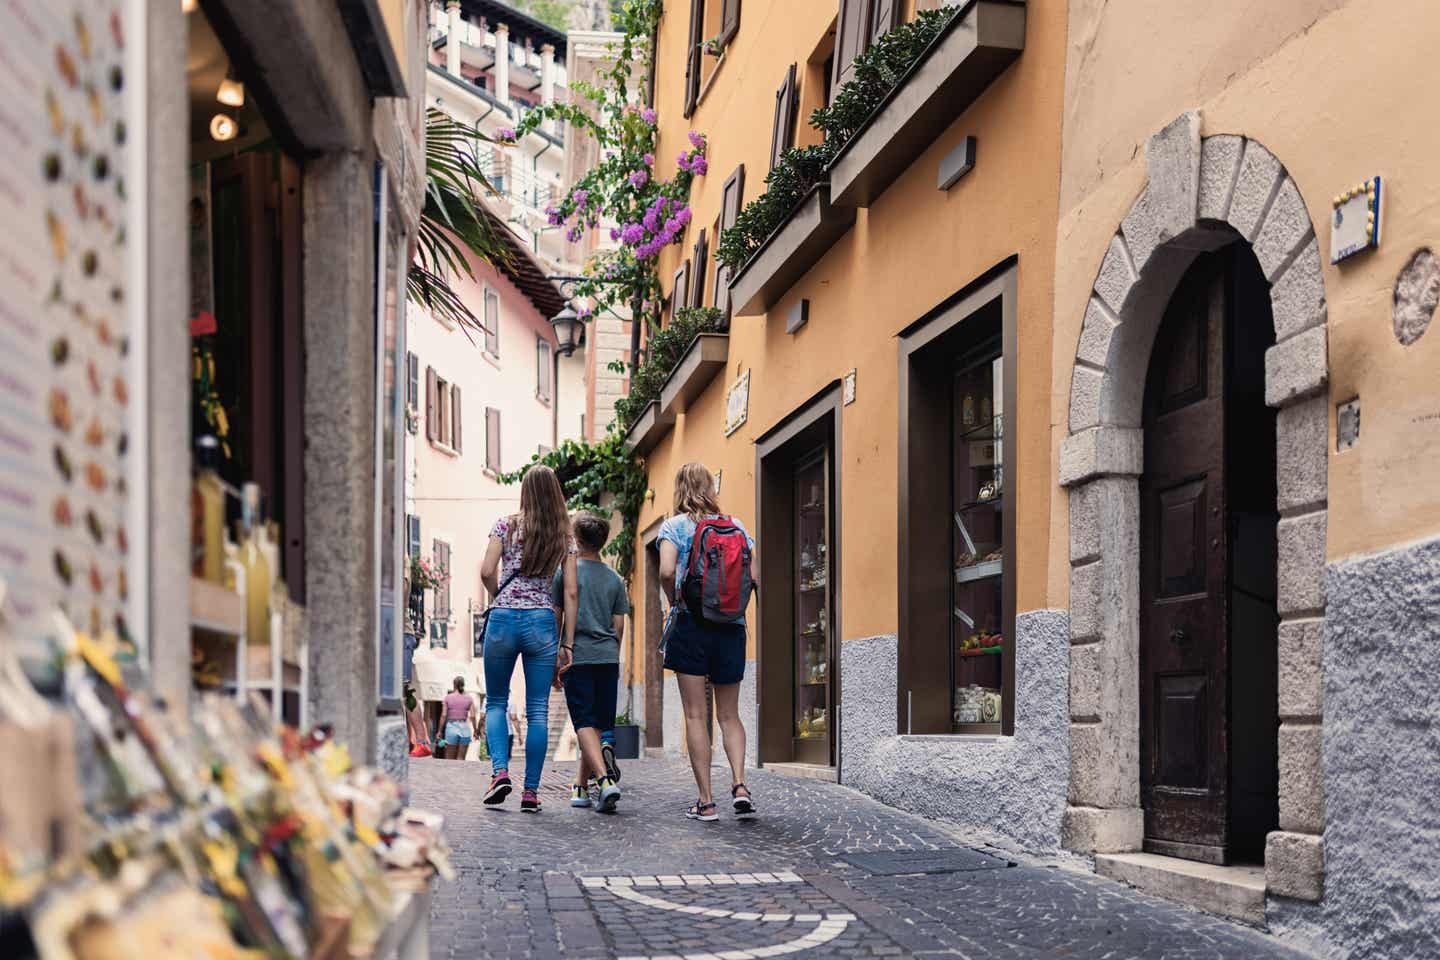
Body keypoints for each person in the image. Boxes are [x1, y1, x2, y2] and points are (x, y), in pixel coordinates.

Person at [658, 462, 758, 822]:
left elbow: (667, 571)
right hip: (731, 626)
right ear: (710, 488)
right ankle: (740, 785)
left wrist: (674, 600)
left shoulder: (675, 526)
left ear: (679, 489)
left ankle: (706, 801)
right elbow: (754, 575)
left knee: (695, 714)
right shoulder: (737, 525)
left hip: (691, 625)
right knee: (730, 715)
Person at [480, 465, 577, 812]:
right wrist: (567, 643)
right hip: (541, 621)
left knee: (496, 701)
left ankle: (500, 773)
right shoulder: (563, 536)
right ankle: (531, 793)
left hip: (503, 619)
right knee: (537, 710)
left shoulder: (504, 525)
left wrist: (498, 598)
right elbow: (571, 592)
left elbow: (486, 570)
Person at [551, 512, 630, 812]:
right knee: (596, 726)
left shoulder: (566, 573)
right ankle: (580, 787)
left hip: (578, 655)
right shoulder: (614, 579)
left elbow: (557, 616)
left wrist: (555, 655)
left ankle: (604, 780)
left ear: (577, 540)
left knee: (583, 722)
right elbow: (619, 625)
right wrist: (611, 651)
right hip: (608, 657)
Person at [440, 676, 478, 760]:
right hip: (465, 728)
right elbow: (472, 716)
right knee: (461, 758)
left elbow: (443, 715)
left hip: (451, 727)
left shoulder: (448, 698)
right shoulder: (469, 698)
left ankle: (450, 773)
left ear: (454, 685)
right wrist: (475, 730)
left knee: (450, 757)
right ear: (463, 685)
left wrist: (439, 731)